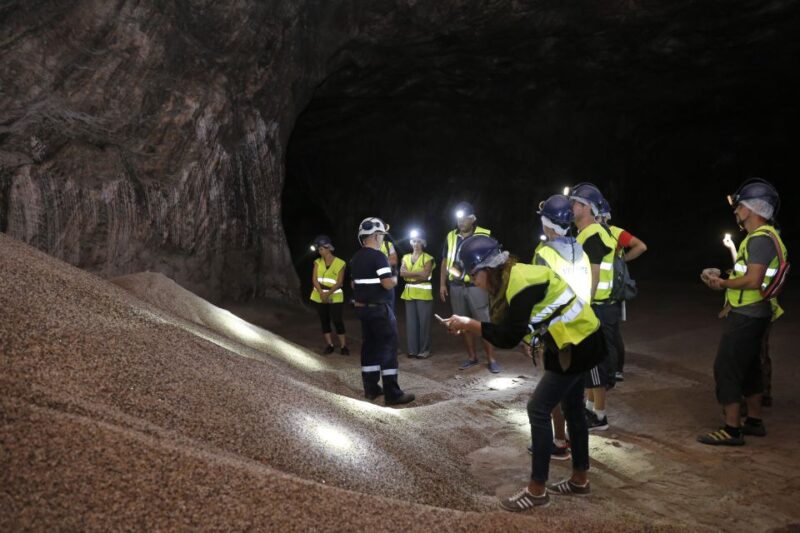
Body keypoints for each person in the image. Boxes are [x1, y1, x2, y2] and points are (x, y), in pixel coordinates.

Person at [443, 235, 606, 510]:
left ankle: (537, 490)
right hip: (572, 340)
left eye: (474, 274)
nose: (472, 281)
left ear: (488, 268)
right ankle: (580, 479)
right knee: (573, 409)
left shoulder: (519, 282)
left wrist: (470, 323)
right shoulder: (512, 276)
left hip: (576, 344)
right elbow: (532, 320)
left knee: (538, 409)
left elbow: (507, 336)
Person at [698, 179, 787, 445]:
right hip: (756, 312)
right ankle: (754, 421)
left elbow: (753, 280)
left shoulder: (760, 239)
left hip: (748, 314)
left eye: (739, 206)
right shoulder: (764, 237)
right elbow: (748, 274)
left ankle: (732, 429)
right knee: (749, 368)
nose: (736, 211)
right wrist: (722, 275)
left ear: (752, 208)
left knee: (726, 367)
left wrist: (722, 283)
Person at [530, 194, 593, 461]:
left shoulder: (543, 254)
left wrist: (533, 334)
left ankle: (557, 442)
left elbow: (536, 296)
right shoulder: (580, 250)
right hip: (582, 331)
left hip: (556, 334)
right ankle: (580, 472)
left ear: (548, 224)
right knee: (575, 402)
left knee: (547, 397)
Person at [350, 217, 415, 406]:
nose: (381, 239)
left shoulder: (356, 258)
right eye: (381, 236)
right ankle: (392, 393)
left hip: (363, 310)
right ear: (376, 236)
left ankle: (371, 389)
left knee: (369, 348)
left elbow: (354, 284)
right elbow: (387, 283)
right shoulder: (379, 256)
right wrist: (395, 276)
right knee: (388, 349)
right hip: (380, 311)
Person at [569, 183, 618, 431]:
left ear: (587, 207)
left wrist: (583, 308)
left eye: (576, 203)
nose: (572, 207)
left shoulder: (593, 234)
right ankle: (590, 410)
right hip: (598, 305)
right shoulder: (589, 233)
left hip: (596, 307)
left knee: (594, 363)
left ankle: (600, 416)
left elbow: (595, 275)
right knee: (590, 363)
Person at [440, 201, 500, 373]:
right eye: (458, 218)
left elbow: (495, 261)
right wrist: (442, 284)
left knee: (484, 323)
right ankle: (472, 357)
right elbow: (445, 261)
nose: (460, 222)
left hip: (477, 286)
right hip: (456, 286)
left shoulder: (484, 234)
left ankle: (491, 359)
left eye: (464, 218)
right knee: (463, 323)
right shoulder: (451, 236)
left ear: (473, 219)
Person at [597, 197, 648, 381]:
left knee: (610, 334)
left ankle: (613, 371)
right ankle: (615, 370)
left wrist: (621, 261)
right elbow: (641, 246)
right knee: (612, 331)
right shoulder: (613, 233)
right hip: (609, 289)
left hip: (610, 291)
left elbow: (641, 246)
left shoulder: (613, 233)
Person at [309, 235, 349, 355]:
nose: (319, 251)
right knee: (324, 319)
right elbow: (314, 279)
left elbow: (339, 282)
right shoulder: (317, 262)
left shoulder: (340, 263)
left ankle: (343, 346)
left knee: (337, 320)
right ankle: (329, 345)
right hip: (319, 295)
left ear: (328, 248)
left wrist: (328, 294)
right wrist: (322, 293)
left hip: (335, 295)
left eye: (321, 249)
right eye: (318, 249)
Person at [400, 230, 436, 358]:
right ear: (411, 242)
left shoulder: (428, 258)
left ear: (423, 243)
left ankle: (424, 350)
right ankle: (412, 350)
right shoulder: (405, 257)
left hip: (423, 293)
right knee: (411, 323)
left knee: (424, 323)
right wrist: (418, 274)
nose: (416, 244)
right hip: (409, 293)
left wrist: (410, 274)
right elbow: (402, 273)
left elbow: (425, 275)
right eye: (414, 241)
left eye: (419, 241)